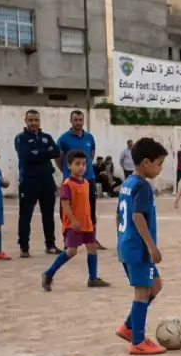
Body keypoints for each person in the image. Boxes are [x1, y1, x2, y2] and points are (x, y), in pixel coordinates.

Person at [115, 138, 170, 356]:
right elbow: (137, 216)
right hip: (138, 248)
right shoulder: (143, 186)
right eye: (159, 163)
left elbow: (119, 214)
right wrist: (151, 246)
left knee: (154, 285)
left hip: (127, 244)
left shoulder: (128, 183)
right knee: (142, 291)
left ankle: (128, 327)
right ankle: (137, 341)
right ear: (146, 162)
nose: (161, 168)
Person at [41, 151, 111, 291]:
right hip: (74, 224)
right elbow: (65, 204)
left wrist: (91, 220)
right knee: (71, 251)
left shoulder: (85, 182)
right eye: (77, 164)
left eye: (84, 164)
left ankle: (92, 278)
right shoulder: (67, 184)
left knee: (92, 249)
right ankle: (49, 273)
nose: (81, 167)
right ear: (69, 165)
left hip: (87, 223)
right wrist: (73, 220)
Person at [14, 109, 62, 257]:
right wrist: (44, 152)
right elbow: (26, 155)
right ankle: (24, 247)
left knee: (48, 214)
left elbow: (56, 152)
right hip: (29, 180)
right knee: (25, 215)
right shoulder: (20, 138)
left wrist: (37, 152)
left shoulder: (46, 137)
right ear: (25, 121)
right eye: (31, 120)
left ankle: (50, 245)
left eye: (36, 120)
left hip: (47, 179)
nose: (33, 123)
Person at [58, 110, 106, 250]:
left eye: (80, 119)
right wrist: (66, 171)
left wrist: (85, 170)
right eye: (75, 120)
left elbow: (91, 155)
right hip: (71, 180)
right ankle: (68, 239)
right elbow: (59, 158)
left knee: (90, 210)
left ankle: (92, 238)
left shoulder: (89, 137)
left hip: (88, 179)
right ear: (71, 121)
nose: (78, 122)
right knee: (66, 210)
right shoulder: (63, 139)